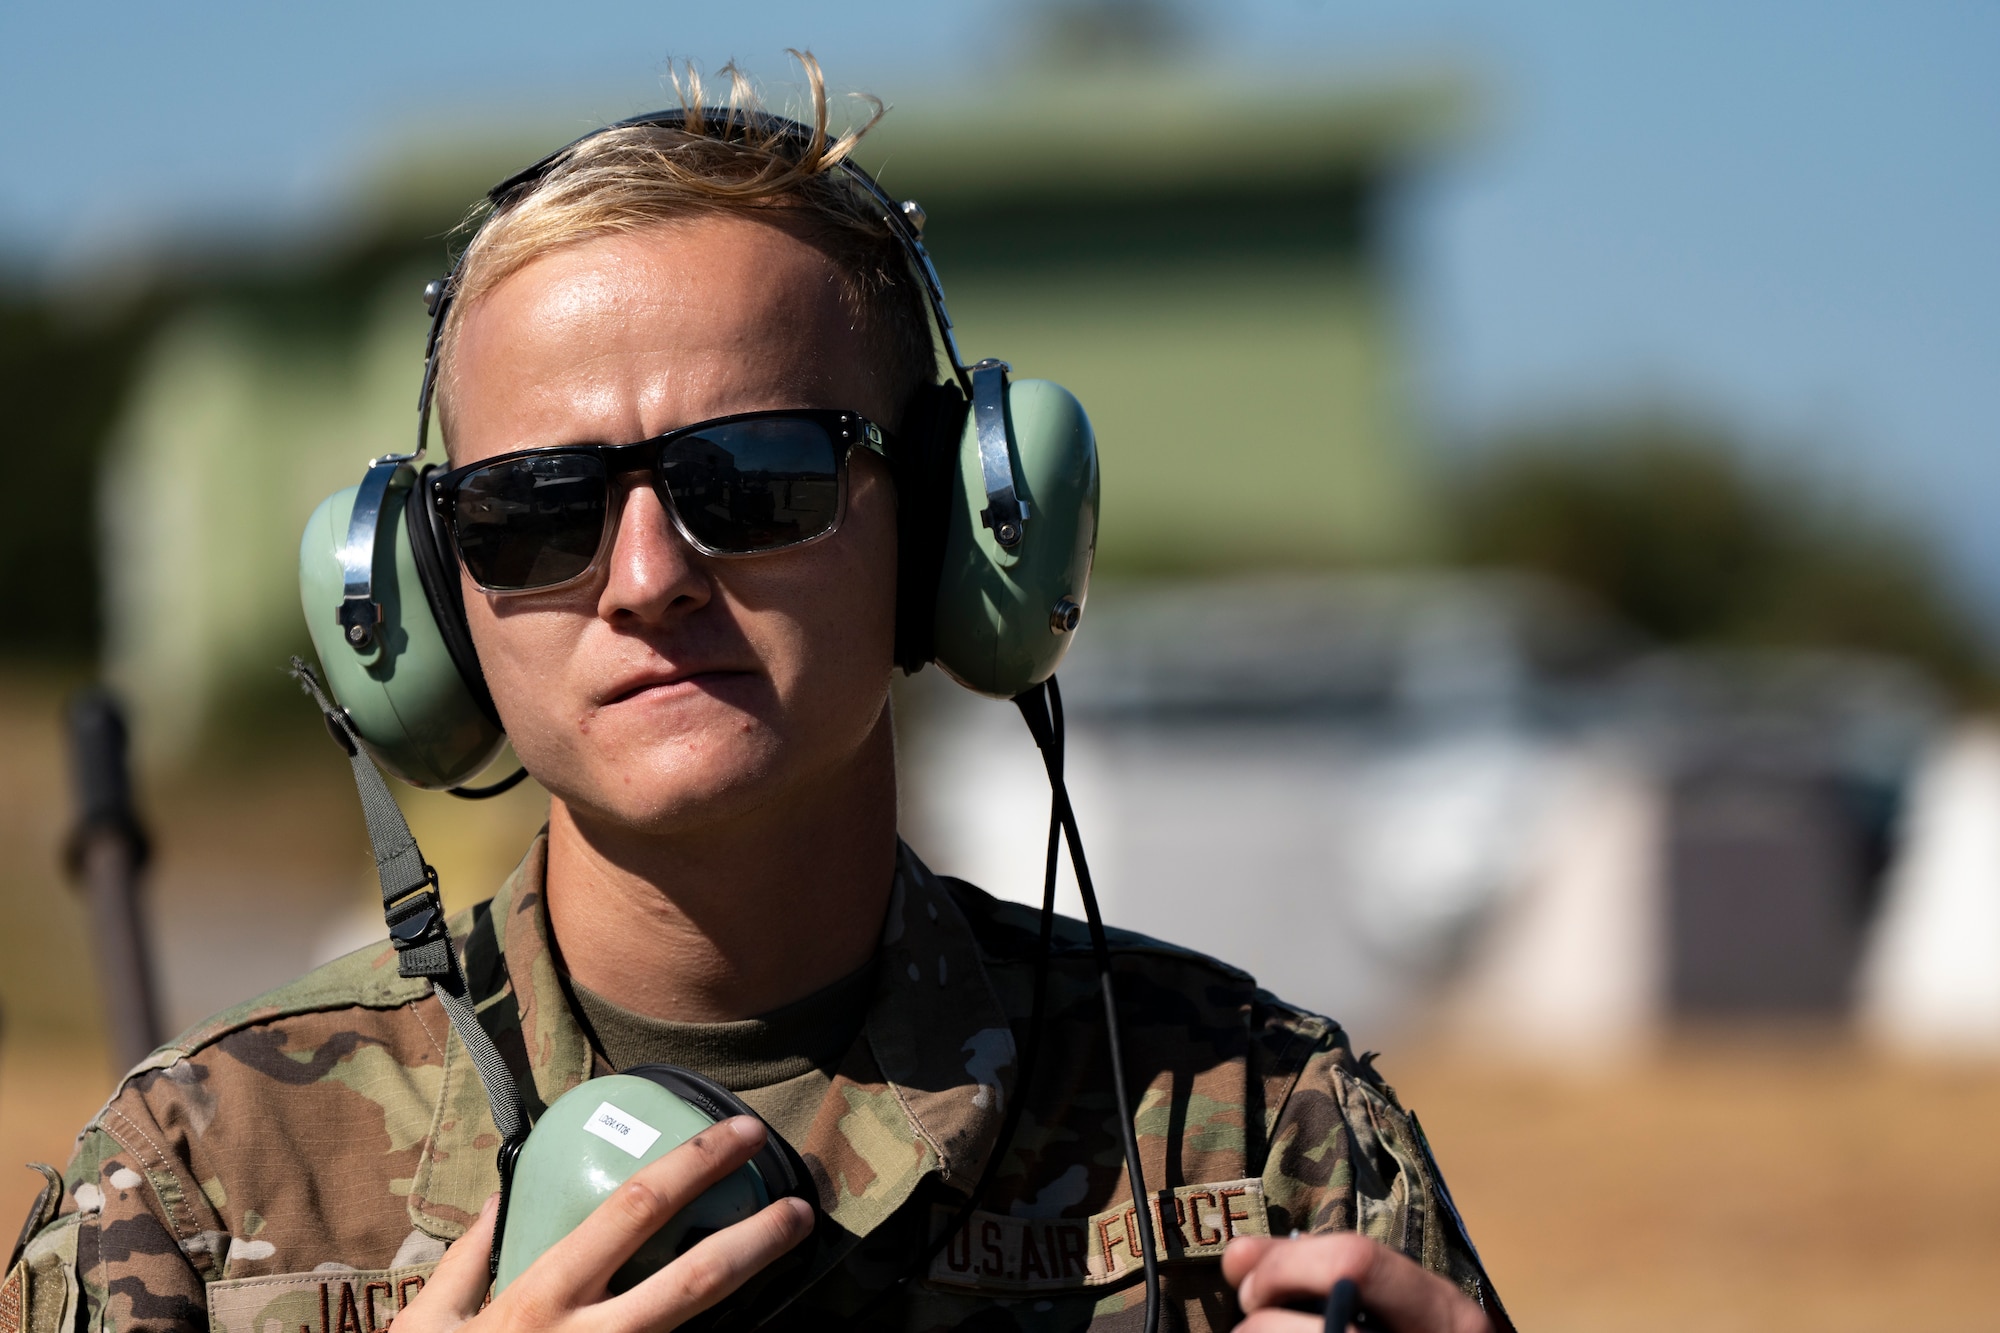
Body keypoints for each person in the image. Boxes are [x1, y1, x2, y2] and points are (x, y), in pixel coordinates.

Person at [3, 59, 1510, 1333]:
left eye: (759, 478)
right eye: (536, 511)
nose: (646, 573)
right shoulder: (201, 1193)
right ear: (426, 601)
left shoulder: (1253, 1142)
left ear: (948, 528)